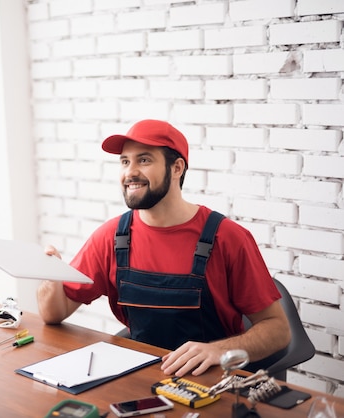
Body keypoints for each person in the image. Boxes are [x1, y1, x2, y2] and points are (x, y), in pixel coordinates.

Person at [37, 119, 291, 378]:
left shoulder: (228, 238)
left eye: (144, 160)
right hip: (139, 376)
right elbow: (54, 313)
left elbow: (278, 330)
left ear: (177, 167)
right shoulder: (111, 237)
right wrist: (51, 274)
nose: (130, 172)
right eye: (125, 161)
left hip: (209, 381)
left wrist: (217, 351)